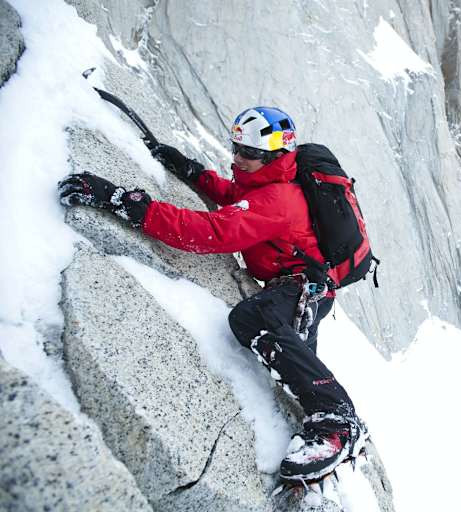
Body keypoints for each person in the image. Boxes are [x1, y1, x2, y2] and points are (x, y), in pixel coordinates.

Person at [58, 106, 368, 482]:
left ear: (273, 155)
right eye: (236, 147)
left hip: (303, 287)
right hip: (302, 286)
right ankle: (320, 474)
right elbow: (233, 195)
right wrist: (186, 168)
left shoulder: (279, 200)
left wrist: (125, 202)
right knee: (296, 373)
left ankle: (339, 426)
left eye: (248, 153)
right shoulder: (266, 182)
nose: (238, 157)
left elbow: (212, 232)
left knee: (252, 319)